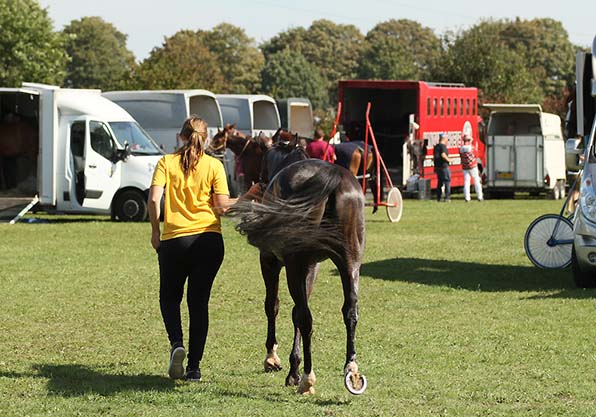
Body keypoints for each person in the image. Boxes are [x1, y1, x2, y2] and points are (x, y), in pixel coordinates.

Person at [148, 116, 235, 382]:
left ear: (181, 136)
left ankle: (177, 343)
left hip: (175, 241)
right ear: (206, 138)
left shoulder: (166, 162)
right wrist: (248, 196)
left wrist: (155, 230)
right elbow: (221, 207)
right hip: (208, 240)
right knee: (199, 304)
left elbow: (153, 198)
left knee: (169, 299)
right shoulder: (214, 165)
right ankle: (194, 368)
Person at [459, 134, 483, 202]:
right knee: (476, 181)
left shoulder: (461, 149)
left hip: (465, 167)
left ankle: (467, 198)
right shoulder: (472, 148)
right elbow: (476, 155)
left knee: (466, 182)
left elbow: (460, 156)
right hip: (473, 166)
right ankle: (480, 196)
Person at [433, 133, 451, 202]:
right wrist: (449, 160)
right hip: (444, 166)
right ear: (444, 138)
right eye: (446, 138)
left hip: (438, 167)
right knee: (447, 181)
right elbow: (443, 155)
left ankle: (439, 197)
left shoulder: (436, 147)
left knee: (439, 183)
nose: (447, 140)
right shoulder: (443, 146)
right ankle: (447, 197)